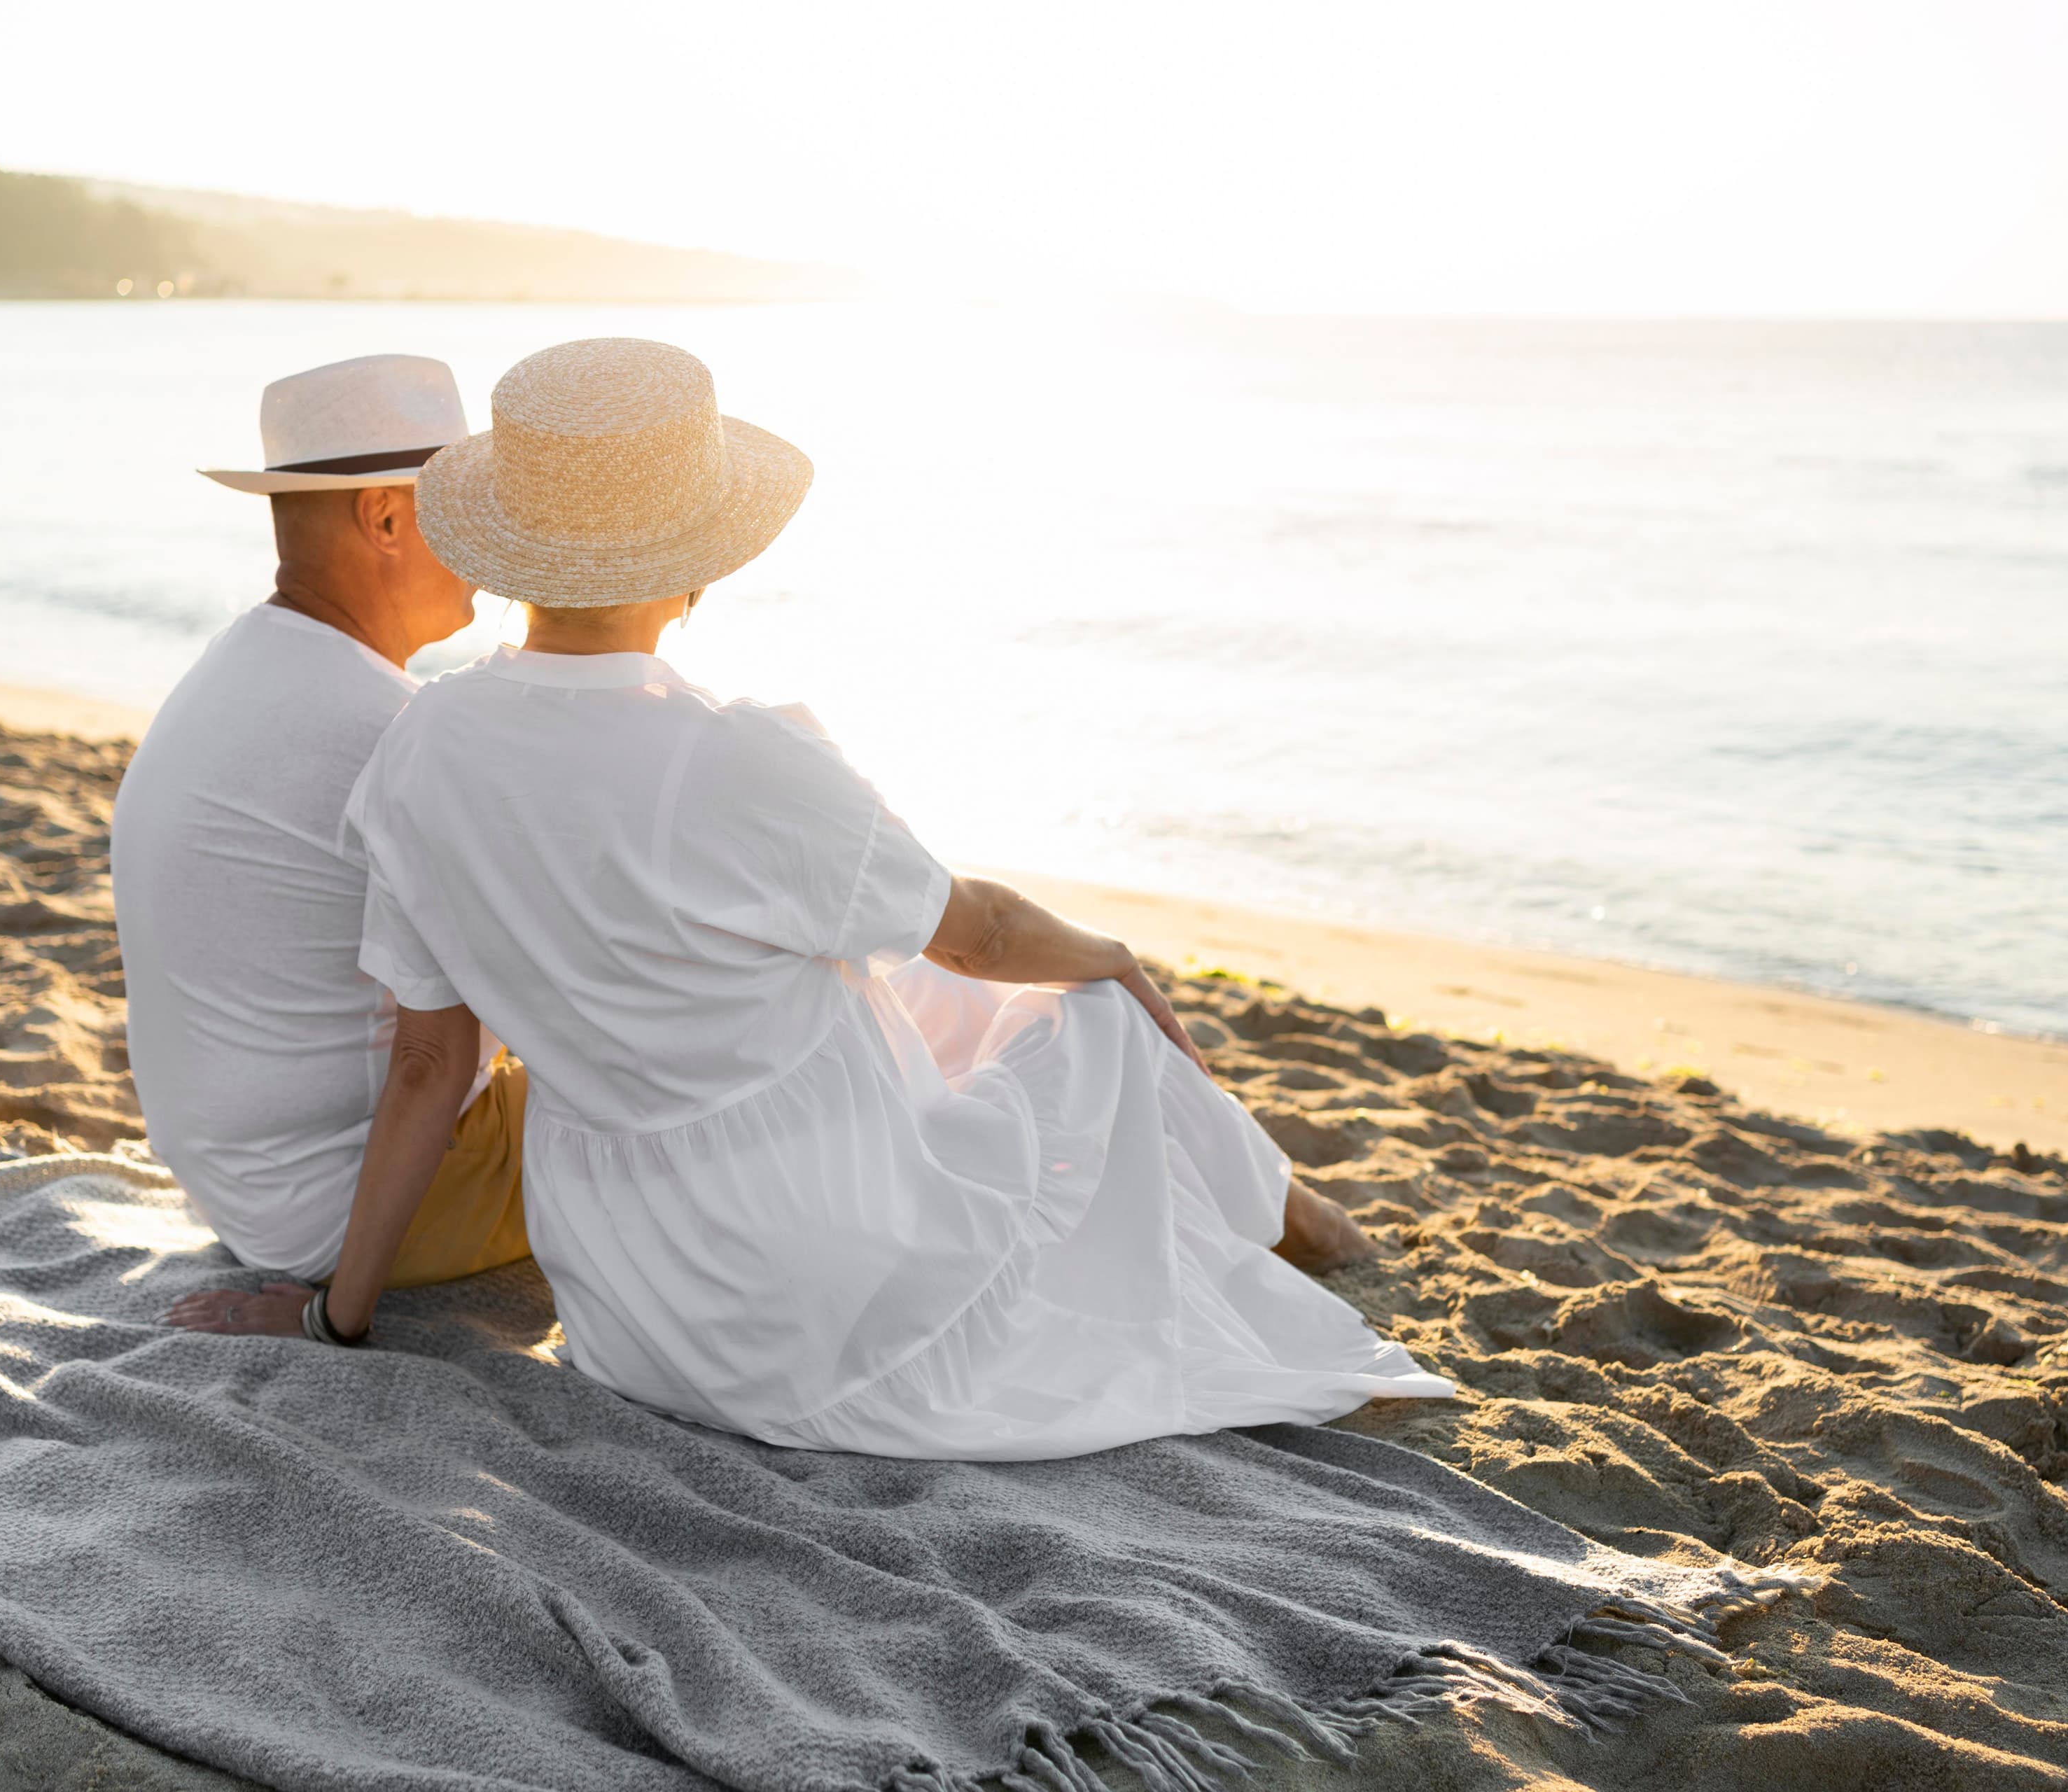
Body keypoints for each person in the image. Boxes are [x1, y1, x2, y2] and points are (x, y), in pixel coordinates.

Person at [266, 336, 1452, 1459]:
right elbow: (980, 931)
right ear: (695, 561)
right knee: (1088, 1012)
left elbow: (427, 1066)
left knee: (906, 977)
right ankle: (1311, 1230)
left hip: (637, 1318)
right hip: (829, 1277)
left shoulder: (419, 752)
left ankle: (1295, 1216)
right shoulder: (732, 758)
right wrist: (1117, 955)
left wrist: (340, 1318)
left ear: (512, 549)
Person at [112, 354, 533, 1331]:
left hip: (252, 1194)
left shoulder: (242, 666)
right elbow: (448, 1049)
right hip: (366, 1204)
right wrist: (332, 1320)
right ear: (386, 519)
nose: (488, 547)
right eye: (462, 512)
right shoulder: (390, 729)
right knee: (703, 1071)